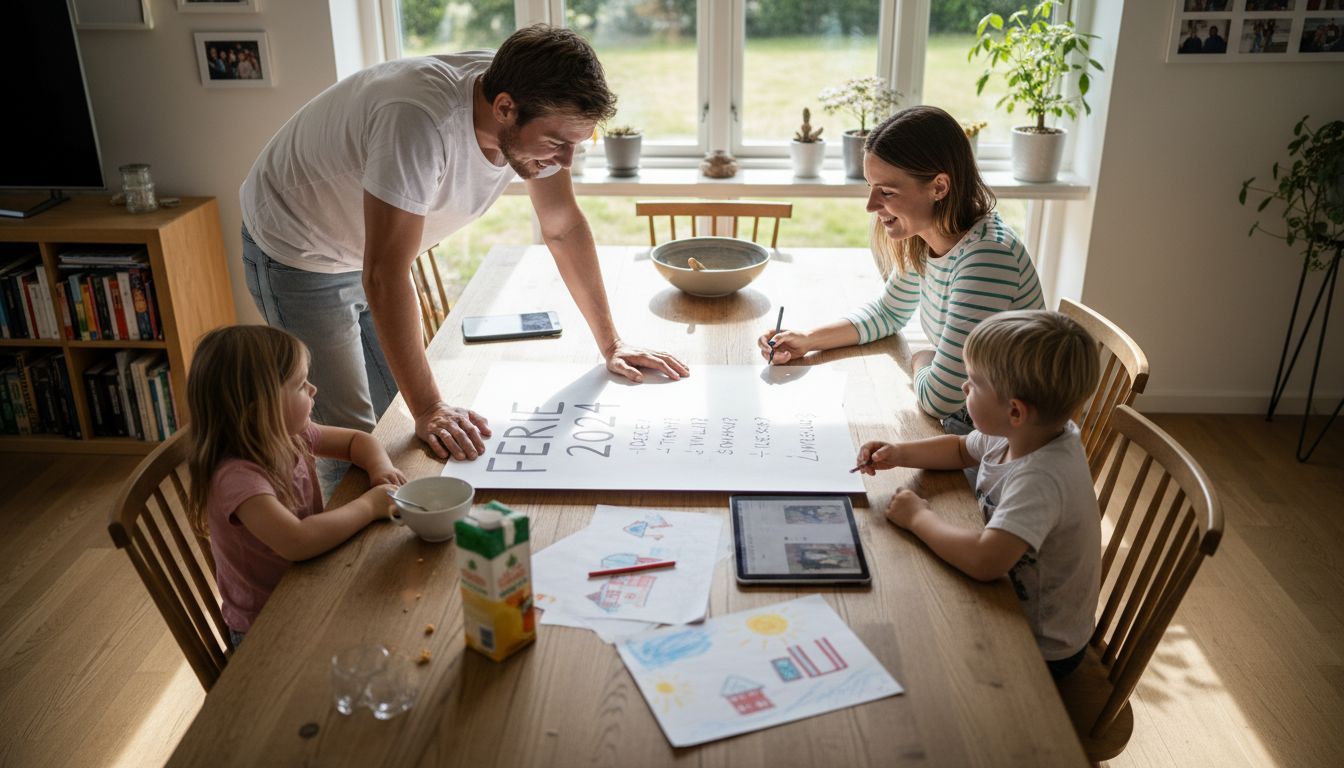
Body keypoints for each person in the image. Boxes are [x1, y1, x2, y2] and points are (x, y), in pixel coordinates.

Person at [240, 24, 688, 482]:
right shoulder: (418, 121)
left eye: (578, 143)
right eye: (557, 143)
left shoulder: (531, 99)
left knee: (404, 427)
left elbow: (562, 225)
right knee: (350, 443)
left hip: (370, 251)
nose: (567, 161)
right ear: (505, 108)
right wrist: (430, 406)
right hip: (299, 251)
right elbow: (385, 274)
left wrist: (611, 343)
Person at [758, 105, 1043, 434]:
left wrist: (923, 357)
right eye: (870, 187)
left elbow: (940, 398)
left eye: (887, 192)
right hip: (972, 422)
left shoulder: (986, 258)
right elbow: (888, 313)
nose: (871, 205)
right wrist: (808, 339)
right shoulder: (927, 237)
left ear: (938, 187)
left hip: (1007, 443)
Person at [854, 310, 1102, 679]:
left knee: (911, 643)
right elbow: (960, 449)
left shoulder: (1041, 478)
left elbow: (986, 562)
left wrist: (918, 517)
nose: (964, 388)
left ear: (1014, 410)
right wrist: (900, 453)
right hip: (1009, 599)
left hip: (1041, 646)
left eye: (973, 383)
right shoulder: (1026, 431)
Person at [184, 325, 408, 647]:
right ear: (260, 409)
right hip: (267, 625)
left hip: (310, 581)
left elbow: (357, 441)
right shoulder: (236, 478)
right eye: (301, 385)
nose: (313, 389)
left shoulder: (285, 434)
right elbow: (297, 541)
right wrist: (370, 505)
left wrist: (380, 468)